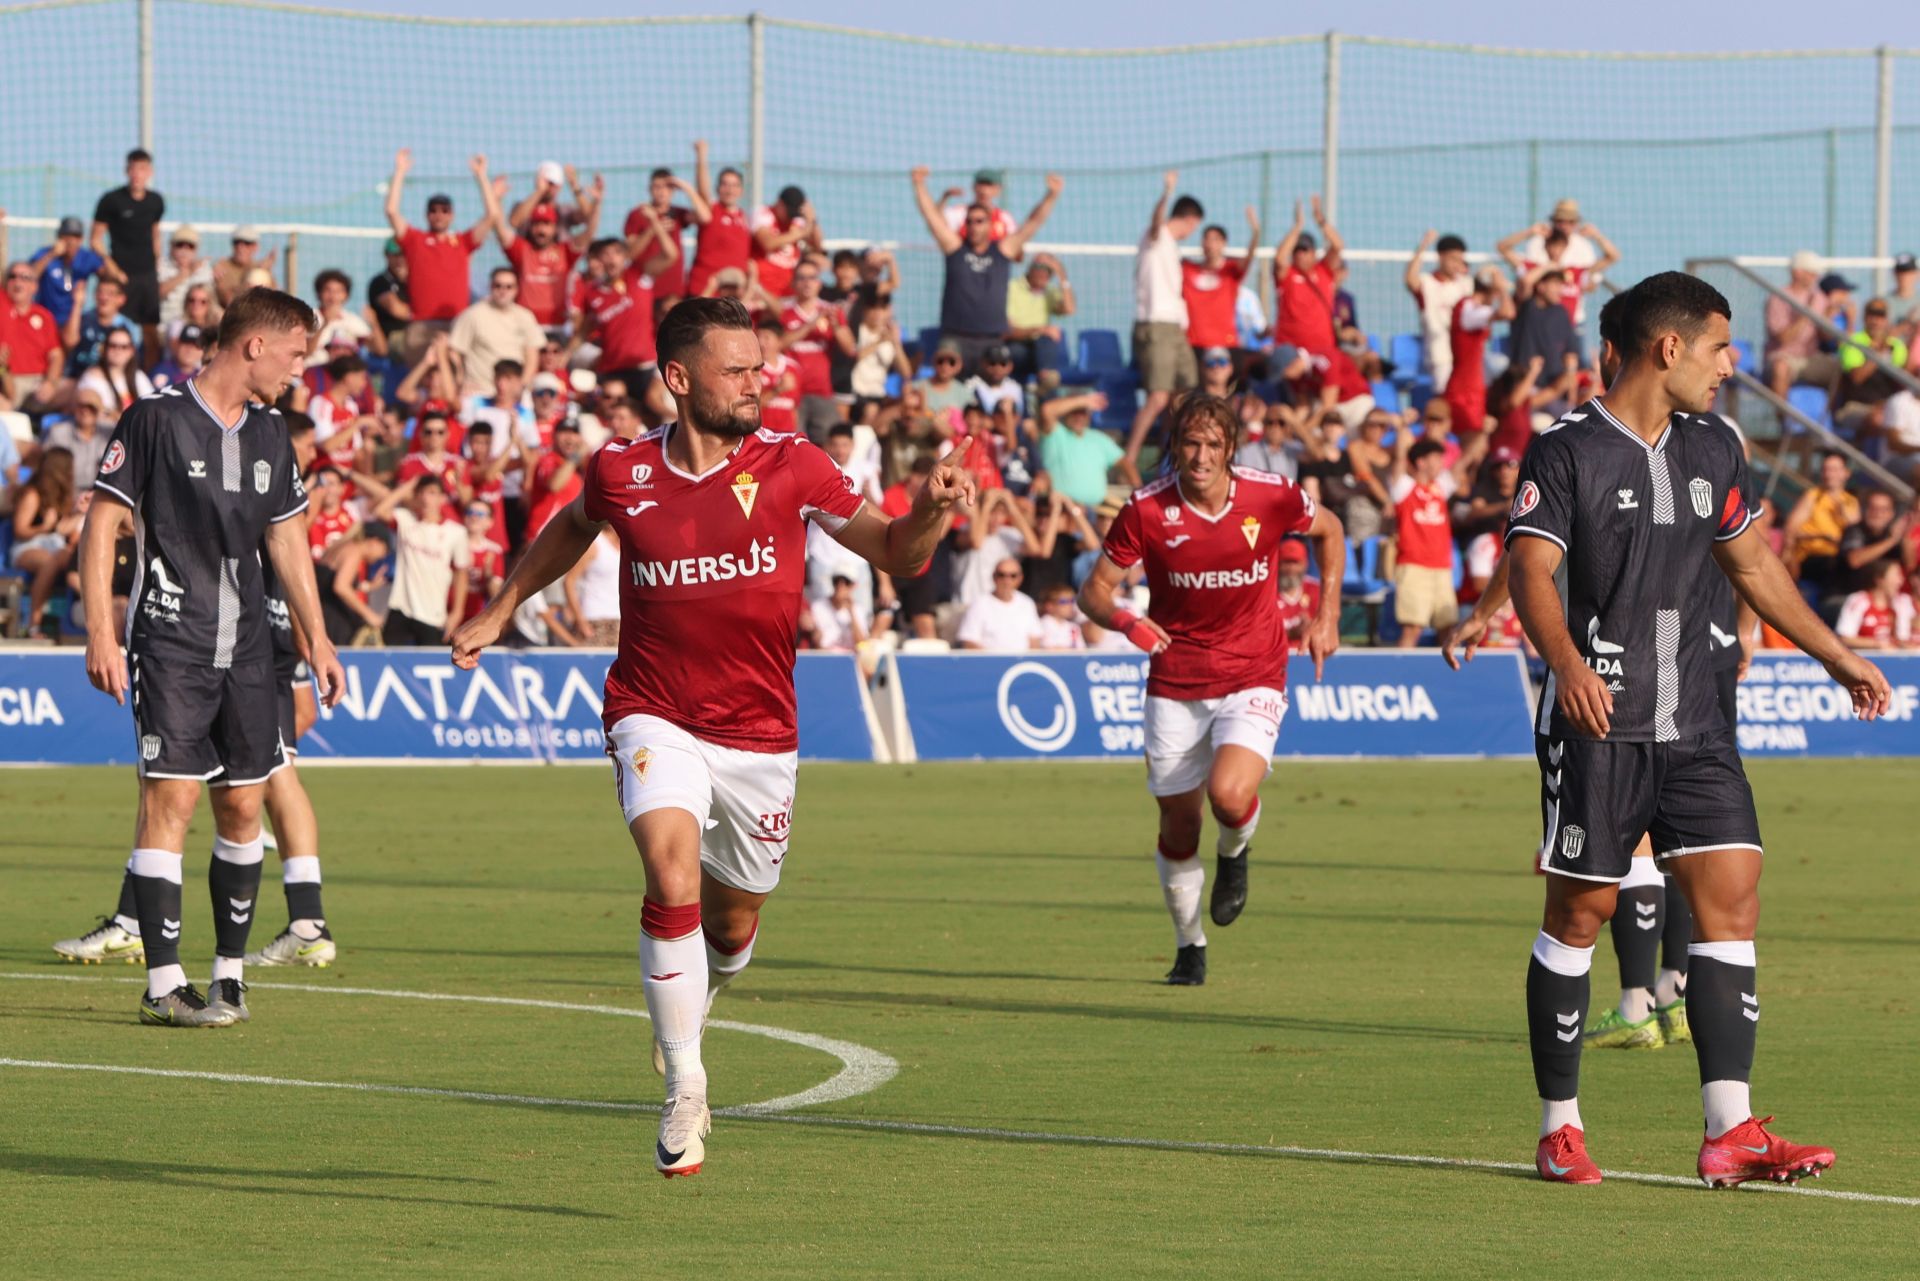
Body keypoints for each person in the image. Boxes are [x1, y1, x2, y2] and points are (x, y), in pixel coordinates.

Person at [451, 296, 977, 1177]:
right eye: (736, 369)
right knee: (668, 867)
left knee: (731, 929)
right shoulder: (620, 469)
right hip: (653, 709)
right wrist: (503, 606)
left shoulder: (794, 465)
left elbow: (897, 554)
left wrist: (928, 509)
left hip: (762, 735)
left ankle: (701, 994)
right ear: (679, 379)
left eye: (760, 366)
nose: (756, 383)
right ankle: (686, 1084)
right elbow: (575, 527)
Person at [1503, 270, 1890, 1187]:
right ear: (1667, 347)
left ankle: (1732, 1127)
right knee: (1580, 912)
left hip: (1698, 724)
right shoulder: (1565, 451)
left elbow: (1752, 564)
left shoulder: (1715, 444)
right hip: (1600, 720)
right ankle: (1560, 1127)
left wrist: (1833, 653)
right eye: (1720, 346)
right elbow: (1529, 571)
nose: (1732, 365)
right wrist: (1565, 665)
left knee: (1732, 894)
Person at [77, 287, 345, 1027]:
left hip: (252, 650)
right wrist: (101, 628)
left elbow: (289, 541)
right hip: (171, 641)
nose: (300, 369)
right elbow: (101, 525)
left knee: (242, 802)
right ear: (254, 345)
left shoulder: (271, 435)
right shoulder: (155, 419)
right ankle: (164, 983)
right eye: (295, 353)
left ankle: (228, 975)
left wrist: (317, 636)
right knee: (174, 798)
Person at [1078, 393, 1345, 986]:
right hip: (1175, 681)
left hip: (1254, 669)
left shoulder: (1270, 494)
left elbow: (1332, 530)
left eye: (1212, 446)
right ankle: (1188, 944)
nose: (1200, 457)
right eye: (1189, 444)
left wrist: (1327, 615)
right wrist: (1128, 622)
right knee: (1179, 825)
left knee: (1227, 796)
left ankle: (1235, 853)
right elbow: (1093, 592)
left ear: (1230, 450)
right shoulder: (1146, 510)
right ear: (1175, 448)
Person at [911, 165, 1061, 376]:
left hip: (991, 338)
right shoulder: (955, 248)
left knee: (996, 396)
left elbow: (1033, 223)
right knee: (947, 380)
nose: (974, 226)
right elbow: (932, 219)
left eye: (980, 221)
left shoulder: (1002, 251)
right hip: (955, 337)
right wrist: (919, 185)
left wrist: (1051, 195)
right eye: (970, 221)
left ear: (990, 225)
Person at [1123, 171, 1204, 467]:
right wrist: (1167, 193)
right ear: (1191, 220)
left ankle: (1168, 454)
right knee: (1158, 397)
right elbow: (1157, 222)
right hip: (1156, 326)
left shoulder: (1172, 249)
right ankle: (1130, 459)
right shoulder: (1155, 237)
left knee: (1184, 394)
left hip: (1175, 329)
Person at [384, 149, 493, 363]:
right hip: (421, 325)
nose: (438, 214)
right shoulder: (415, 239)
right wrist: (399, 172)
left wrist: (481, 176)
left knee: (454, 384)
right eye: (433, 210)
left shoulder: (463, 242)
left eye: (444, 210)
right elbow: (391, 211)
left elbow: (492, 216)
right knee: (419, 384)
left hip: (457, 325)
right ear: (427, 214)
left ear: (452, 215)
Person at [1386, 432, 1480, 646]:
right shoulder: (1405, 488)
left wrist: (1482, 432)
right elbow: (1399, 463)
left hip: (1442, 568)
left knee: (1447, 629)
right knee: (1412, 629)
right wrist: (1402, 433)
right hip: (1413, 566)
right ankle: (1400, 678)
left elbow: (1463, 462)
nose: (1442, 463)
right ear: (1420, 462)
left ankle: (1446, 677)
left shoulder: (1439, 488)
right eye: (1436, 458)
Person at [91, 149, 165, 353]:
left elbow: (155, 233)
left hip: (148, 276)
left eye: (142, 169)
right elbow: (95, 240)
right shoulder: (111, 200)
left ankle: (151, 379)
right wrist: (113, 270)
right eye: (133, 168)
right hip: (121, 276)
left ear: (149, 172)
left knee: (150, 331)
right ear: (126, 171)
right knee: (118, 330)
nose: (137, 174)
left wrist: (157, 263)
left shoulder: (156, 201)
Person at [10, 445, 81, 637]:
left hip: (55, 546)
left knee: (75, 558)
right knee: (49, 563)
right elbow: (19, 530)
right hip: (28, 546)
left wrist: (78, 515)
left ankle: (76, 620)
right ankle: (33, 624)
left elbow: (61, 530)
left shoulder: (63, 496)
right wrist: (43, 527)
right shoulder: (33, 494)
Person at [1183, 210, 1261, 372]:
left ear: (1223, 243)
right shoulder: (1188, 270)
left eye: (1215, 239)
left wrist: (1255, 234)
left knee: (1232, 387)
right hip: (1194, 344)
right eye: (1206, 239)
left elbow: (1247, 261)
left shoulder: (1230, 271)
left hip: (1226, 343)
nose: (1210, 243)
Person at [449, 267, 545, 399]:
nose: (503, 291)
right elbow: (455, 351)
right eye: (498, 286)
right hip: (481, 392)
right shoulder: (472, 315)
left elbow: (532, 356)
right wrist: (460, 381)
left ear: (516, 289)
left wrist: (521, 386)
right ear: (490, 287)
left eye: (508, 286)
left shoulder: (526, 317)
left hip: (515, 394)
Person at [1404, 231, 1475, 390]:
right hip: (1441, 356)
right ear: (1440, 257)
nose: (1456, 264)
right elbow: (1410, 280)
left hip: (1467, 355)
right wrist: (1423, 246)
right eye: (1453, 259)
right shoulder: (1427, 283)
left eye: (1460, 259)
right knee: (1447, 396)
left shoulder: (1466, 284)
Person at [30, 214, 118, 330]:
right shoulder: (45, 253)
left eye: (76, 236)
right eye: (66, 236)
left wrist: (102, 252)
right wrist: (51, 255)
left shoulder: (86, 257)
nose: (71, 241)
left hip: (72, 320)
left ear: (81, 239)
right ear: (59, 238)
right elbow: (30, 277)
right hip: (45, 318)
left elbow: (114, 279)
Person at [1, 259, 66, 415]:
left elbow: (56, 355)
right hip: (7, 381)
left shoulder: (44, 315)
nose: (17, 282)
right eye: (13, 276)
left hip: (39, 381)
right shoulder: (2, 305)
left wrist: (50, 382)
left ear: (34, 286)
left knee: (76, 391)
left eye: (25, 278)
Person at [687, 141, 751, 298]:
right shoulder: (712, 210)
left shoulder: (743, 217)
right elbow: (703, 191)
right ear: (718, 188)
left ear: (741, 191)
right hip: (705, 290)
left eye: (734, 185)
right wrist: (701, 155)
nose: (729, 189)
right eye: (725, 185)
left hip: (732, 295)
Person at [1004, 254, 1074, 387]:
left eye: (1049, 270)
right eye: (1041, 268)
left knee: (1047, 341)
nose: (1045, 273)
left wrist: (1062, 276)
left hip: (1041, 351)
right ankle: (1045, 382)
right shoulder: (1012, 288)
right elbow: (1007, 331)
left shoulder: (1050, 292)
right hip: (1015, 346)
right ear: (1032, 269)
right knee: (1031, 346)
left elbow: (1069, 309)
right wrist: (1040, 329)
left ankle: (1046, 381)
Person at [955, 557, 1041, 649]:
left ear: (1020, 578)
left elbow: (1034, 640)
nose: (1007, 580)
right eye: (1001, 575)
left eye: (1013, 575)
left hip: (1022, 662)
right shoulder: (979, 604)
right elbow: (969, 642)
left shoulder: (1027, 603)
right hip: (989, 662)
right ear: (994, 577)